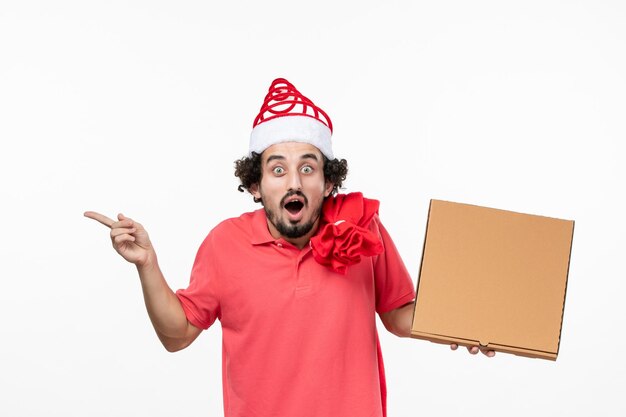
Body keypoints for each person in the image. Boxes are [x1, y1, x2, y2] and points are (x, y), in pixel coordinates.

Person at [85, 78, 494, 417]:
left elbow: (399, 314)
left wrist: (461, 323)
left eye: (308, 168)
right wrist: (147, 264)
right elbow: (177, 335)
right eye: (277, 169)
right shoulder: (224, 243)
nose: (293, 182)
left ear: (328, 183)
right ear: (255, 185)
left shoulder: (364, 229)